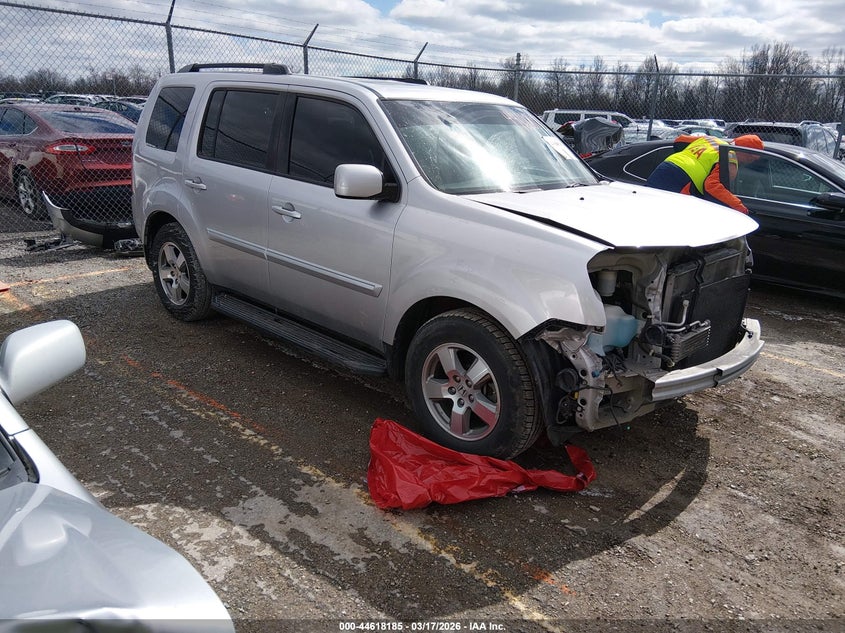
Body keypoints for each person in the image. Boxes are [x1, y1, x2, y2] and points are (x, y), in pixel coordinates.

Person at [646, 134, 765, 213]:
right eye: (751, 159)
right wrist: (739, 207)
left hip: (665, 167)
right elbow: (712, 186)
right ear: (746, 153)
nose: (749, 162)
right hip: (682, 182)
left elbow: (680, 140)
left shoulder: (712, 139)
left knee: (648, 210)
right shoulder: (730, 158)